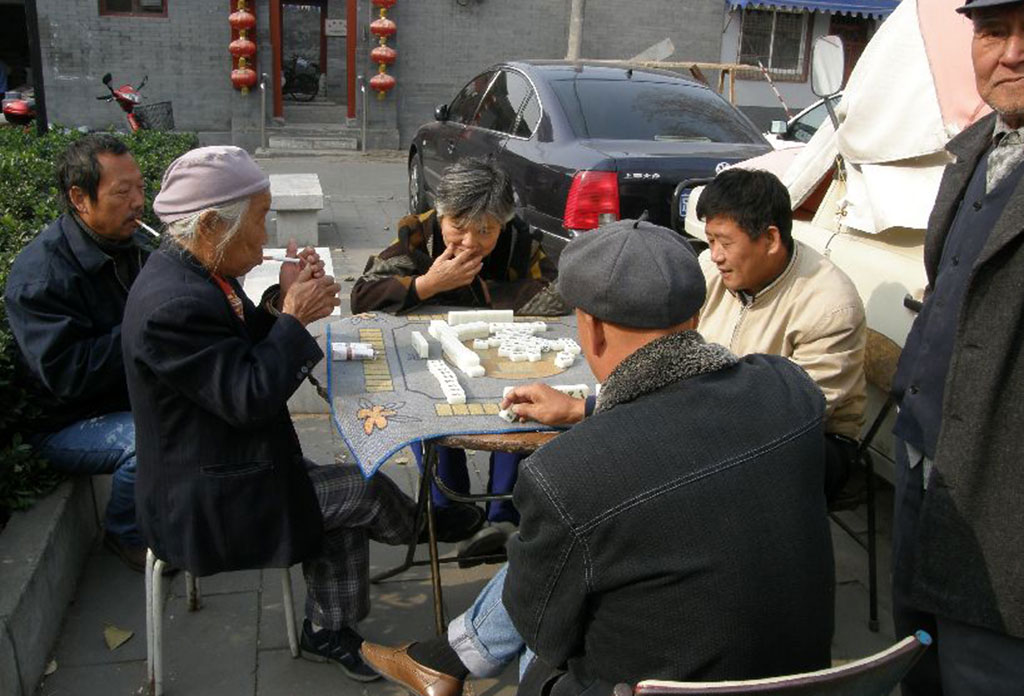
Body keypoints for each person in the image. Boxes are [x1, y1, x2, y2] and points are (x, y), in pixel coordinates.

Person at [361, 219, 835, 696]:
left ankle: (445, 661)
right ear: (695, 319)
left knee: (561, 592)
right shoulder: (789, 389)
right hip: (809, 679)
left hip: (641, 686)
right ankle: (442, 662)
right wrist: (583, 408)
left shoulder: (567, 474)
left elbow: (539, 625)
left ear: (591, 331)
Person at [121, 146, 472, 682]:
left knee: (354, 490)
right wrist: (292, 318)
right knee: (364, 491)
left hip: (231, 466)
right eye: (260, 220)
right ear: (213, 224)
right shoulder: (174, 303)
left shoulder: (193, 272)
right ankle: (424, 531)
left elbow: (230, 355)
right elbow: (246, 397)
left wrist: (279, 301)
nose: (265, 237)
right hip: (206, 500)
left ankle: (332, 624)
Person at [888, 0, 1024, 694]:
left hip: (1005, 516)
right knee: (919, 660)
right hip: (924, 463)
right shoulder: (976, 149)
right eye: (992, 30)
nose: (1010, 53)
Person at [352, 158, 569, 559]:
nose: (470, 242)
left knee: (516, 411)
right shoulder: (417, 234)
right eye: (458, 227)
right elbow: (363, 294)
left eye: (486, 230)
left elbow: (558, 292)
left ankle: (502, 517)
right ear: (441, 214)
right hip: (429, 356)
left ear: (502, 223)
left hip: (499, 356)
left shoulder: (519, 243)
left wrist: (489, 294)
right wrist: (427, 284)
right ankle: (451, 512)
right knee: (426, 411)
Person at [4, 134, 150, 571]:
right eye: (122, 193)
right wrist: (141, 329)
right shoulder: (41, 275)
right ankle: (124, 533)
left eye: (141, 188)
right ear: (79, 198)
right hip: (67, 421)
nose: (138, 202)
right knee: (149, 441)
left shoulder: (128, 247)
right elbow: (67, 375)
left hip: (118, 396)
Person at [695, 168, 867, 499]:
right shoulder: (710, 269)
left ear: (771, 239)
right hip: (716, 418)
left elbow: (796, 411)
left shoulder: (830, 303)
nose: (715, 255)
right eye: (711, 240)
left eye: (725, 242)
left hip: (811, 441)